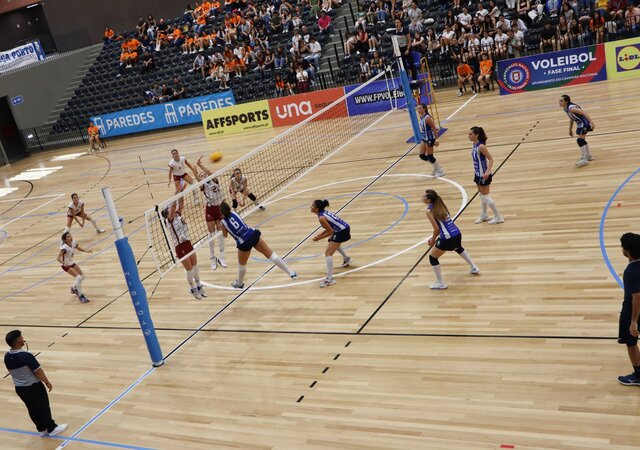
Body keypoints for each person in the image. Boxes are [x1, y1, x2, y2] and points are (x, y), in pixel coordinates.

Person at [4, 330, 68, 437]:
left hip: (20, 389)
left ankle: (41, 429)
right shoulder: (25, 356)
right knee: (43, 407)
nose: (23, 338)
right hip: (33, 387)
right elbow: (38, 371)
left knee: (32, 408)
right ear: (19, 341)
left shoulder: (7, 356)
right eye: (21, 337)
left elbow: (11, 371)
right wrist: (47, 382)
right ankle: (52, 429)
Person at [220, 201, 297, 289]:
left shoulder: (223, 222)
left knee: (242, 265)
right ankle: (290, 272)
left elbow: (225, 236)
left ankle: (240, 283)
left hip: (243, 242)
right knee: (271, 255)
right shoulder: (234, 213)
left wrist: (221, 227)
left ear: (221, 213)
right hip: (252, 234)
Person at [423, 189, 479, 290]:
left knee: (432, 257)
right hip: (457, 233)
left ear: (428, 200)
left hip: (447, 238)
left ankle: (441, 283)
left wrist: (432, 239)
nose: (422, 197)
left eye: (424, 196)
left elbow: (436, 228)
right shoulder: (441, 204)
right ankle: (473, 267)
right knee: (458, 247)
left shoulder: (429, 211)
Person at [161, 194, 206, 300]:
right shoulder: (169, 220)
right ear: (167, 214)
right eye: (169, 209)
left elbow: (181, 204)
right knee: (189, 270)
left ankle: (199, 286)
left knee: (195, 266)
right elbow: (173, 208)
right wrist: (176, 193)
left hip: (188, 243)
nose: (171, 209)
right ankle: (193, 289)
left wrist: (181, 192)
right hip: (180, 248)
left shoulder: (177, 214)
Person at [311, 199, 352, 288]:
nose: (311, 207)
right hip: (343, 228)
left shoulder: (321, 218)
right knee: (331, 241)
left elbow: (330, 231)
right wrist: (321, 234)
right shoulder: (323, 213)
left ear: (317, 209)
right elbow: (330, 227)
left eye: (313, 206)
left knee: (328, 253)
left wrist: (319, 238)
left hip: (341, 231)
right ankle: (347, 258)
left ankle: (329, 279)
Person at [195, 156, 227, 270]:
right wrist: (195, 171)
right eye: (202, 176)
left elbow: (208, 172)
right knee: (211, 235)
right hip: (210, 210)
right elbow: (198, 179)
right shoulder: (203, 186)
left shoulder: (215, 181)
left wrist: (200, 165)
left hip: (219, 209)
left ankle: (222, 257)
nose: (204, 176)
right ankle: (213, 258)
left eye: (204, 175)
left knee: (220, 234)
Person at [617, 232, 640, 386]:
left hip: (633, 311)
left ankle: (638, 376)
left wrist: (633, 321)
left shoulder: (630, 271)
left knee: (631, 342)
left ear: (627, 252)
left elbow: (636, 297)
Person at [469, 126, 504, 225]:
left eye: (470, 134)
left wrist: (487, 172)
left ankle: (498, 217)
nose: (469, 136)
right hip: (477, 174)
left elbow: (491, 159)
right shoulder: (474, 145)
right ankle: (484, 214)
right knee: (482, 196)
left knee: (486, 196)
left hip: (483, 175)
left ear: (477, 135)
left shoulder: (481, 146)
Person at [559, 94, 595, 167]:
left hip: (584, 123)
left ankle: (585, 159)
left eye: (561, 101)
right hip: (580, 124)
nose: (559, 102)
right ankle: (588, 156)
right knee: (582, 139)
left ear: (566, 101)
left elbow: (583, 112)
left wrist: (592, 123)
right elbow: (571, 118)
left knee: (580, 140)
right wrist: (570, 129)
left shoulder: (571, 108)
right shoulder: (565, 109)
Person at [57, 231, 93, 303]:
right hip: (66, 266)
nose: (70, 237)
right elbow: (58, 258)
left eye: (70, 235)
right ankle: (81, 296)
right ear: (65, 240)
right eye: (68, 237)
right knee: (78, 277)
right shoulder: (64, 248)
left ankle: (74, 288)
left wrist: (86, 251)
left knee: (83, 276)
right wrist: (64, 263)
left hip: (72, 263)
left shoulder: (73, 242)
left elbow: (78, 248)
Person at [416, 103, 444, 178]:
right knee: (422, 155)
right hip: (424, 138)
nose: (418, 110)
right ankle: (435, 166)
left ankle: (440, 171)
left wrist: (436, 139)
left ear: (424, 109)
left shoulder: (427, 118)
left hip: (430, 138)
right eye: (417, 108)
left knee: (430, 156)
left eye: (420, 108)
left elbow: (434, 128)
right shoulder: (421, 117)